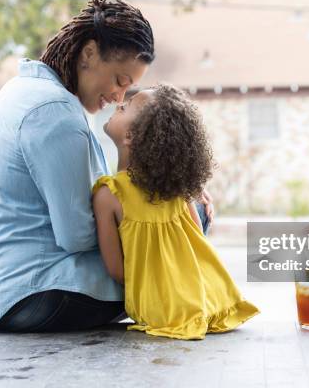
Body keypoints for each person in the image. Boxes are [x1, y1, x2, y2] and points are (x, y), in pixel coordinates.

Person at [0, 0, 213, 333]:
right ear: (90, 53)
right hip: (33, 293)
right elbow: (77, 237)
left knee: (174, 216)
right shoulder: (53, 113)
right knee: (184, 223)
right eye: (120, 80)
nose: (119, 98)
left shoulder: (22, 91)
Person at [92, 84, 259, 340]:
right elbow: (196, 242)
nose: (118, 104)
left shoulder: (109, 194)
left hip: (159, 309)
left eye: (125, 107)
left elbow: (117, 271)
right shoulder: (177, 191)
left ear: (130, 136)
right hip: (211, 296)